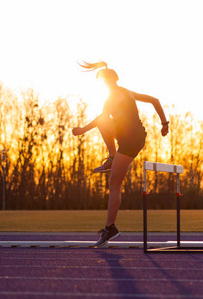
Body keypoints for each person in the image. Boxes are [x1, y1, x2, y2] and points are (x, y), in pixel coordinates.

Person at [72, 61, 170, 247]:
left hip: (131, 139)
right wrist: (164, 123)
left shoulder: (111, 97)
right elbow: (155, 100)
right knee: (103, 125)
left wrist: (82, 130)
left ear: (107, 81)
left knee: (114, 184)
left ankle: (111, 228)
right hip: (133, 136)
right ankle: (110, 157)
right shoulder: (127, 92)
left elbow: (102, 118)